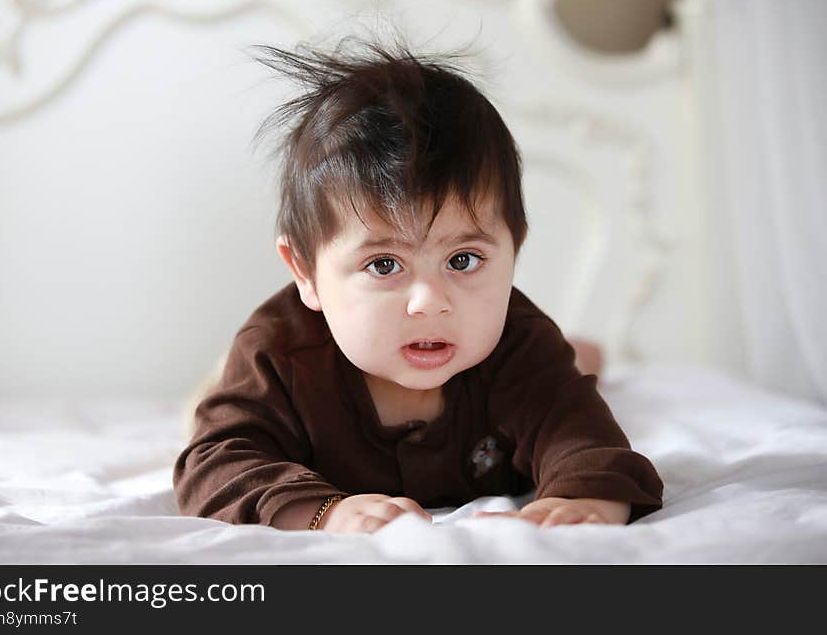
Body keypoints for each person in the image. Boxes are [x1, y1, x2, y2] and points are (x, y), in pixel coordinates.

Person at [173, 38, 663, 533]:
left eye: (463, 259)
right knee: (204, 410)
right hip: (281, 365)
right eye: (384, 265)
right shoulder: (278, 355)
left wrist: (587, 497)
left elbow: (582, 436)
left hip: (527, 357)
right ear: (305, 272)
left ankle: (580, 355)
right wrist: (325, 512)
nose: (430, 302)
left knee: (563, 367)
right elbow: (214, 467)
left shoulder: (520, 343)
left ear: (514, 249)